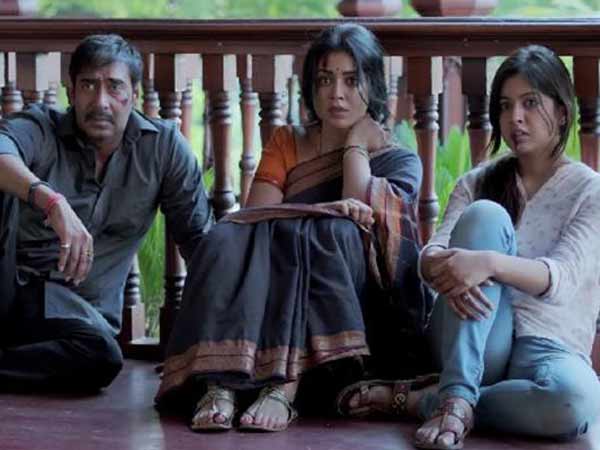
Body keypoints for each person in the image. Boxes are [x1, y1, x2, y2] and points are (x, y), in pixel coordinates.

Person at [155, 23, 432, 433]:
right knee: (228, 235)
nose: (336, 93)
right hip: (275, 275)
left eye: (351, 80)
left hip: (351, 295)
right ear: (310, 87)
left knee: (329, 234)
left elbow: (359, 220)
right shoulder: (288, 140)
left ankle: (284, 386)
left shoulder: (400, 159)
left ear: (372, 85)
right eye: (325, 80)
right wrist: (323, 209)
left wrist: (356, 144)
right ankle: (220, 381)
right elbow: (257, 217)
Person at [336, 45, 600, 448]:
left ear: (562, 112)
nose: (515, 118)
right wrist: (447, 264)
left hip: (549, 346)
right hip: (474, 338)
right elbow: (429, 256)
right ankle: (458, 392)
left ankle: (430, 401)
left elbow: (561, 279)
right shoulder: (477, 182)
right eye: (506, 106)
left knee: (576, 401)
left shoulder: (589, 190)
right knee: (485, 216)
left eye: (530, 103)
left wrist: (489, 263)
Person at [0, 34, 211, 390]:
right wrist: (52, 202)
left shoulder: (162, 150)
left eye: (114, 87)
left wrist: (206, 344)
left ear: (134, 94)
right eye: (88, 85)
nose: (100, 102)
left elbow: (201, 245)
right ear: (71, 92)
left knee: (102, 356)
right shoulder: (42, 128)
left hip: (79, 324)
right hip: (11, 293)